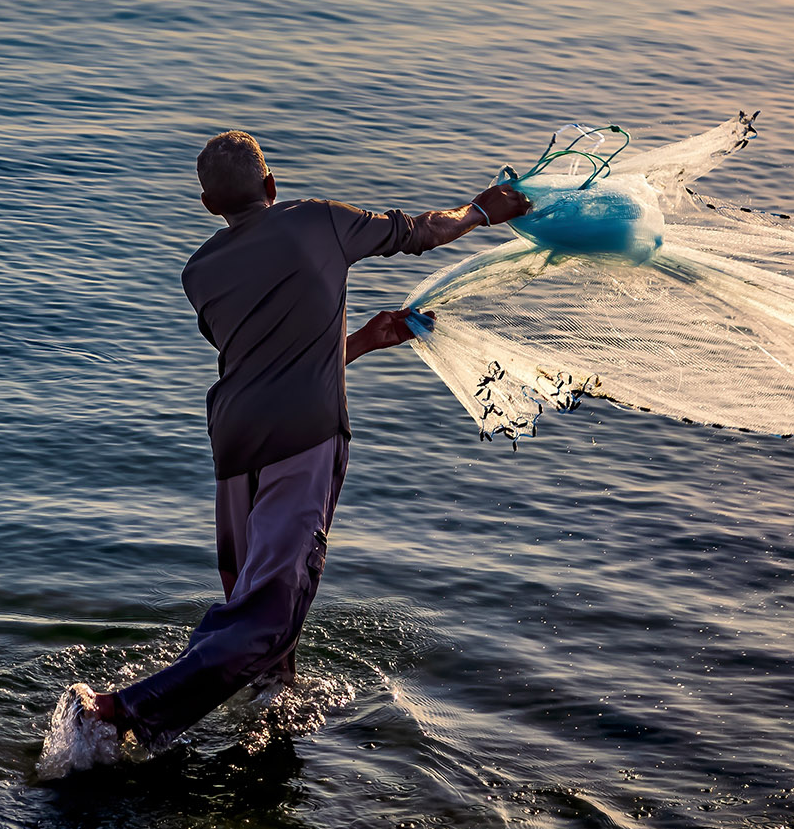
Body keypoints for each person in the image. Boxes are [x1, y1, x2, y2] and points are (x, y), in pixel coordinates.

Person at [49, 130, 529, 767]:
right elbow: (423, 232)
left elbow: (265, 360)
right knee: (271, 607)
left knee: (253, 588)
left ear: (206, 204)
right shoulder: (318, 221)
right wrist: (480, 211)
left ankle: (275, 703)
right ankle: (121, 710)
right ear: (272, 187)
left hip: (233, 436)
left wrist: (358, 341)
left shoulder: (199, 274)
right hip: (303, 436)